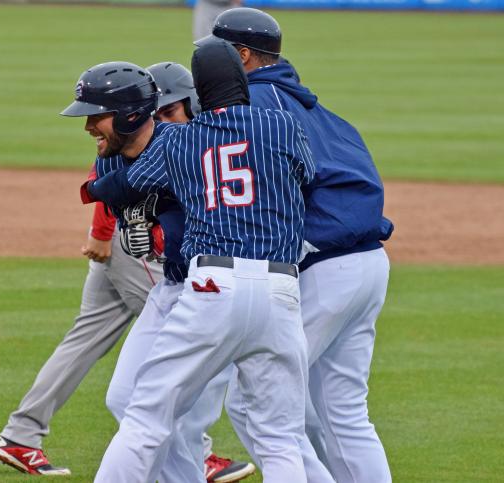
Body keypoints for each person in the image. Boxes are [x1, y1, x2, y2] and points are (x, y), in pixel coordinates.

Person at [0, 61, 252, 482]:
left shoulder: (186, 146)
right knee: (146, 387)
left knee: (114, 359)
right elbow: (121, 185)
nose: (89, 126)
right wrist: (101, 228)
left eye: (96, 116)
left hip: (206, 278)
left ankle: (22, 433)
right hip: (152, 266)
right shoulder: (132, 152)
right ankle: (196, 454)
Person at [85, 40, 316, 482]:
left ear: (198, 95)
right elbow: (306, 174)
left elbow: (129, 183)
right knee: (280, 439)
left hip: (212, 285)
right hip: (281, 289)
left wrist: (94, 192)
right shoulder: (282, 125)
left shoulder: (182, 140)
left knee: (145, 419)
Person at [196, 8, 394, 483]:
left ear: (242, 55)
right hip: (368, 264)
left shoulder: (257, 105)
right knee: (343, 412)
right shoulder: (316, 109)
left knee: (254, 400)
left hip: (324, 268)